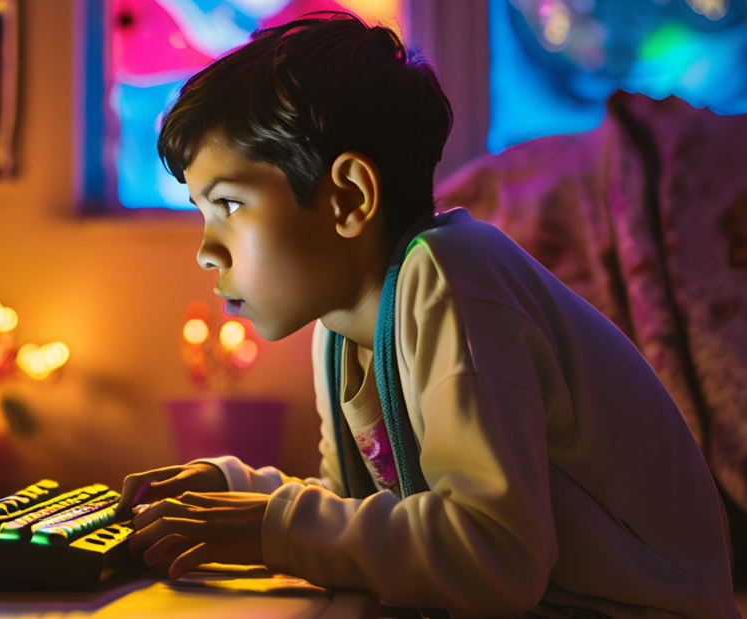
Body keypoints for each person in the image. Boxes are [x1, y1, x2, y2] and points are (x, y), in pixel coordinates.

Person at [115, 13, 738, 618]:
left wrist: (272, 527)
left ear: (350, 198)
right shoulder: (339, 331)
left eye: (228, 203)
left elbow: (497, 553)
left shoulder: (448, 275)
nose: (205, 250)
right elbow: (361, 516)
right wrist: (238, 493)